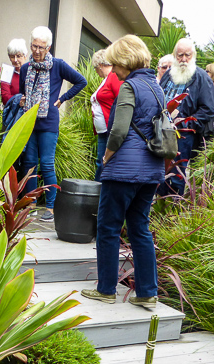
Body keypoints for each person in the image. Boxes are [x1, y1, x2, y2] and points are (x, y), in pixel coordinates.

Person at [81, 35, 165, 309]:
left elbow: (118, 130)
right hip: (152, 169)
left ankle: (106, 289)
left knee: (108, 227)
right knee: (140, 228)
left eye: (116, 63)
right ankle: (147, 293)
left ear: (126, 61)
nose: (114, 69)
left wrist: (107, 157)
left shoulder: (129, 86)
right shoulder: (157, 87)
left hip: (124, 171)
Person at [19, 26, 87, 221]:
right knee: (29, 164)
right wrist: (23, 100)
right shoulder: (25, 68)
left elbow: (81, 81)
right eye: (34, 46)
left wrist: (62, 98)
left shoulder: (57, 65)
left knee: (47, 164)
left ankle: (51, 207)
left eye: (42, 47)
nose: (37, 51)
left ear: (48, 47)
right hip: (29, 121)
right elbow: (23, 90)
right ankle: (30, 203)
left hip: (48, 122)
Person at [158, 38, 214, 196]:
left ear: (193, 55)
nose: (183, 59)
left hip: (183, 135)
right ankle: (158, 210)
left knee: (177, 176)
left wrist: (187, 124)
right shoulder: (168, 74)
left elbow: (208, 109)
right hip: (162, 132)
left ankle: (173, 212)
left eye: (187, 55)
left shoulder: (201, 77)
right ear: (175, 55)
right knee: (160, 173)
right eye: (180, 55)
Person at [90, 49, 122, 182]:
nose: (96, 72)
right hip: (103, 130)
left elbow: (120, 99)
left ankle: (99, 192)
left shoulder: (113, 77)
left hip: (110, 128)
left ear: (100, 65)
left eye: (96, 68)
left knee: (104, 162)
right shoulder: (106, 79)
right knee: (101, 161)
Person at [1, 39, 28, 105]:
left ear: (25, 56)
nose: (15, 60)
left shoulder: (31, 72)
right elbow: (5, 98)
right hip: (12, 113)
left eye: (18, 56)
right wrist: (20, 99)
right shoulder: (7, 72)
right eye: (12, 57)